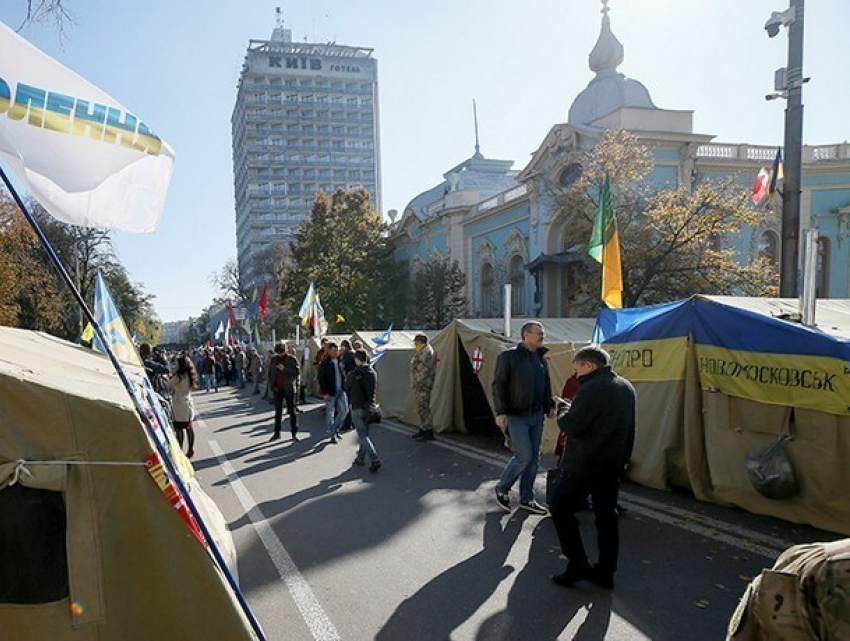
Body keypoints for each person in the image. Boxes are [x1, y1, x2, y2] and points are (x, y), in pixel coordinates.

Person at [549, 345, 636, 590]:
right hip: (612, 464)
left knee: (560, 508)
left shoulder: (592, 388)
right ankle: (606, 572)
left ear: (589, 365)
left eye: (577, 368)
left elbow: (572, 425)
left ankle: (578, 565)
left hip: (584, 464)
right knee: (606, 517)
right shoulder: (625, 387)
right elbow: (629, 428)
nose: (576, 374)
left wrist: (563, 407)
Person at [491, 321, 555, 516]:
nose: (542, 337)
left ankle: (527, 498)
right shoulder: (508, 357)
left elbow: (545, 384)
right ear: (526, 335)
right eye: (539, 334)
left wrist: (549, 406)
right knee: (524, 456)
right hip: (516, 415)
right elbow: (498, 385)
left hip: (536, 414)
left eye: (542, 334)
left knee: (533, 458)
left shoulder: (540, 358)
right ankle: (502, 487)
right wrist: (501, 412)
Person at [345, 349, 382, 472]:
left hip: (357, 406)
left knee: (362, 435)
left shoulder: (353, 374)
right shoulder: (372, 372)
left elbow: (347, 388)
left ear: (356, 360)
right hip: (369, 408)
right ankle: (360, 458)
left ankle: (374, 458)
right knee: (365, 434)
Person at [316, 341, 348, 444]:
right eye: (334, 350)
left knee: (344, 410)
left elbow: (343, 374)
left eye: (337, 350)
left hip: (341, 390)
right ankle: (332, 434)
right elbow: (321, 379)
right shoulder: (325, 363)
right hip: (330, 391)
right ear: (329, 351)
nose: (336, 352)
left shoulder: (340, 361)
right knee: (330, 413)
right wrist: (325, 393)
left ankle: (335, 428)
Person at [268, 342, 300, 441]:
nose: (280, 355)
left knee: (292, 412)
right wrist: (271, 385)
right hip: (277, 389)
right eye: (278, 353)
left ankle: (294, 433)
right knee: (278, 412)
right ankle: (277, 433)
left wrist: (285, 369)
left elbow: (296, 372)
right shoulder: (273, 360)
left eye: (281, 353)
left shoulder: (292, 359)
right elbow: (271, 373)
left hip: (289, 389)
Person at [168, 353, 198, 458]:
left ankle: (180, 450)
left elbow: (168, 385)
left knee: (179, 429)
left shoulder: (179, 376)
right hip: (188, 403)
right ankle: (190, 449)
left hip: (179, 404)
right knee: (189, 427)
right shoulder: (190, 375)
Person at [410, 333, 436, 441]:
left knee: (424, 408)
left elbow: (425, 369)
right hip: (419, 383)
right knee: (420, 408)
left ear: (421, 342)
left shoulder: (427, 352)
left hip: (423, 384)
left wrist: (418, 381)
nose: (415, 344)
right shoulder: (422, 351)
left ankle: (428, 431)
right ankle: (422, 428)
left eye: (416, 342)